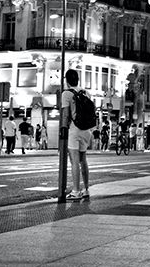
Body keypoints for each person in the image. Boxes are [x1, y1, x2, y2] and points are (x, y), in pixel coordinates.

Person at [61, 68, 92, 200]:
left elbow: (66, 114)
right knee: (83, 160)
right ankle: (86, 189)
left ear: (67, 81)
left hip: (75, 129)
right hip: (87, 130)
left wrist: (63, 129)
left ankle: (75, 191)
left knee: (74, 161)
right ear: (78, 80)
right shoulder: (86, 93)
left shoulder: (66, 94)